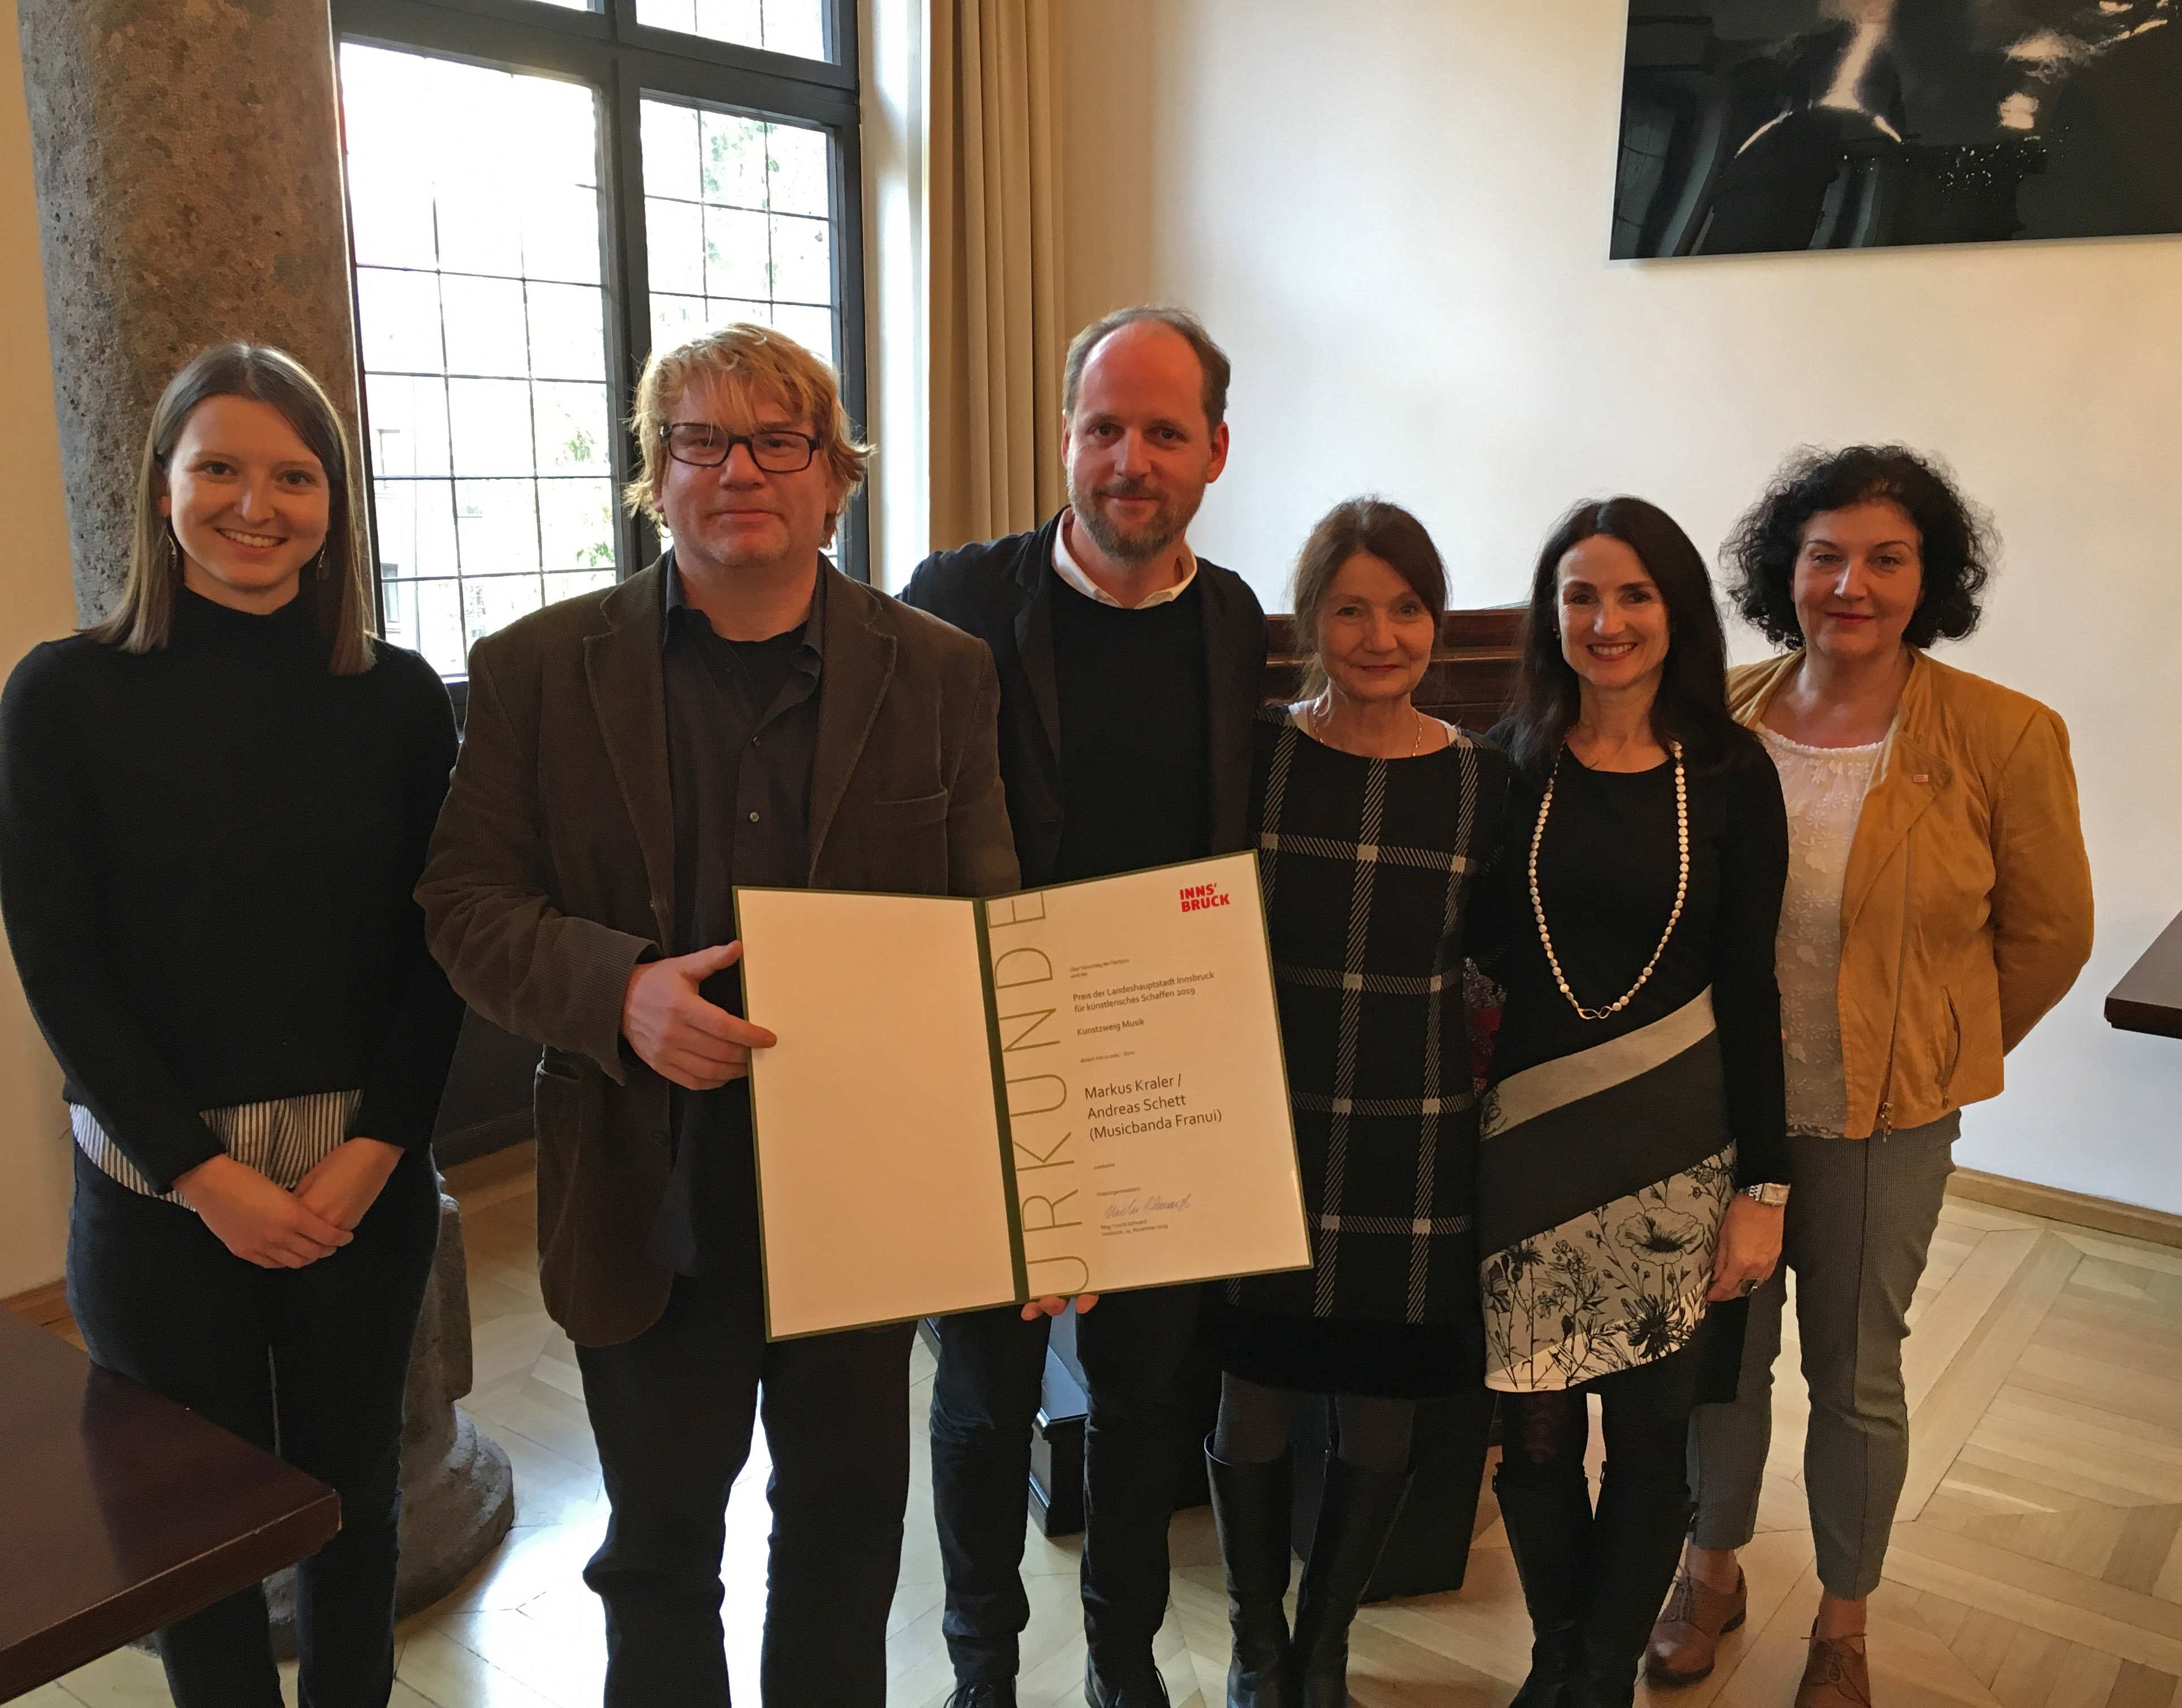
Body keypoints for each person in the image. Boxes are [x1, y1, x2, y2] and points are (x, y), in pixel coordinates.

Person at [416, 322, 1020, 1707]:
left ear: (832, 478)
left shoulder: (942, 673)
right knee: (662, 1552)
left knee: (848, 1538)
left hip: (864, 1210)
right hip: (647, 1195)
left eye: (777, 440)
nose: (738, 468)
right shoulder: (535, 672)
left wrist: (1037, 1193)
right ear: (655, 474)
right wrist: (616, 993)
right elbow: (462, 901)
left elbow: (992, 936)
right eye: (701, 440)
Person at [0, 344, 463, 1707]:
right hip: (157, 1190)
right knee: (192, 1542)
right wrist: (204, 1183)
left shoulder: (393, 697)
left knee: (350, 1503)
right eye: (220, 468)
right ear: (162, 487)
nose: (255, 504)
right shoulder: (61, 695)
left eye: (294, 475)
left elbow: (430, 952)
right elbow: (61, 964)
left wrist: (377, 1153)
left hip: (357, 1180)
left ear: (333, 504)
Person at [1649, 447, 2092, 1708]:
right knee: (1721, 1359)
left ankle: (1842, 1622)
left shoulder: (2006, 735)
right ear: (1783, 570)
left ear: (1928, 580)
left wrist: (1942, 1046)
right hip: (1721, 1110)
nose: (1852, 584)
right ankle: (1711, 1566)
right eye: (1826, 555)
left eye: (1886, 559)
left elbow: (2050, 932)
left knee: (1856, 1370)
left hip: (1882, 1119)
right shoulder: (1716, 719)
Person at [903, 305, 1266, 1708]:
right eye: (1103, 427)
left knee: (1145, 1394)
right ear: (1065, 437)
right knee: (988, 1401)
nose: (1130, 459)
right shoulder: (955, 597)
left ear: (1215, 452)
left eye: (1164, 431)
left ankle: (1124, 1664)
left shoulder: (1234, 621)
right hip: (996, 1078)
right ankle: (980, 1670)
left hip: (1166, 1083)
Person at [1471, 498, 1789, 1708]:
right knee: (1539, 1438)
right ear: (1551, 615)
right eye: (1580, 596)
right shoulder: (1505, 765)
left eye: (1635, 595)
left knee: (1653, 1437)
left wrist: (1763, 1189)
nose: (1606, 623)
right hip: (1531, 1155)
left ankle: (1591, 1676)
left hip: (1683, 1153)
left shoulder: (1730, 771)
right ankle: (1571, 1659)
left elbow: (1753, 987)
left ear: (1677, 613)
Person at [1204, 498, 1511, 1708]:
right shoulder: (1259, 753)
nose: (1380, 636)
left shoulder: (1486, 779)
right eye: (1351, 609)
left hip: (1411, 1133)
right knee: (1254, 1394)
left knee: (1380, 1423)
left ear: (1433, 621)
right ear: (1310, 618)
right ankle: (1254, 1643)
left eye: (1406, 609)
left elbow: (1504, 964)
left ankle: (1325, 1643)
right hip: (1263, 1117)